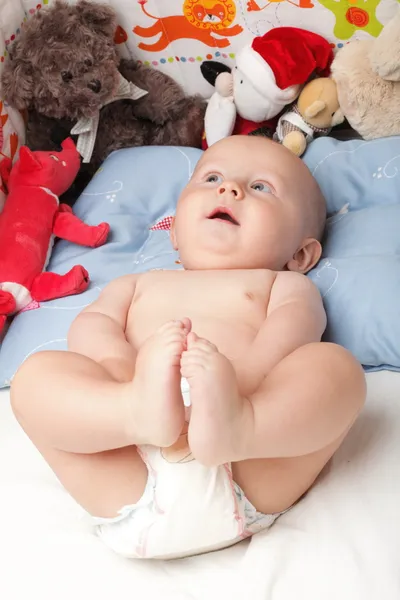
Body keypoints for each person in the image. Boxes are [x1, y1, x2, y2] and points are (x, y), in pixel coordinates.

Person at [10, 136, 366, 559]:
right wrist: (126, 375)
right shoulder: (138, 284)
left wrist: (240, 387)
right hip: (127, 456)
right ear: (175, 230)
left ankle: (242, 424)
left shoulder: (283, 284)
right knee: (35, 376)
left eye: (261, 187)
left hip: (247, 462)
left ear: (300, 255)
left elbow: (292, 334)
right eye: (212, 177)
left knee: (336, 369)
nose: (229, 189)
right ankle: (132, 409)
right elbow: (93, 325)